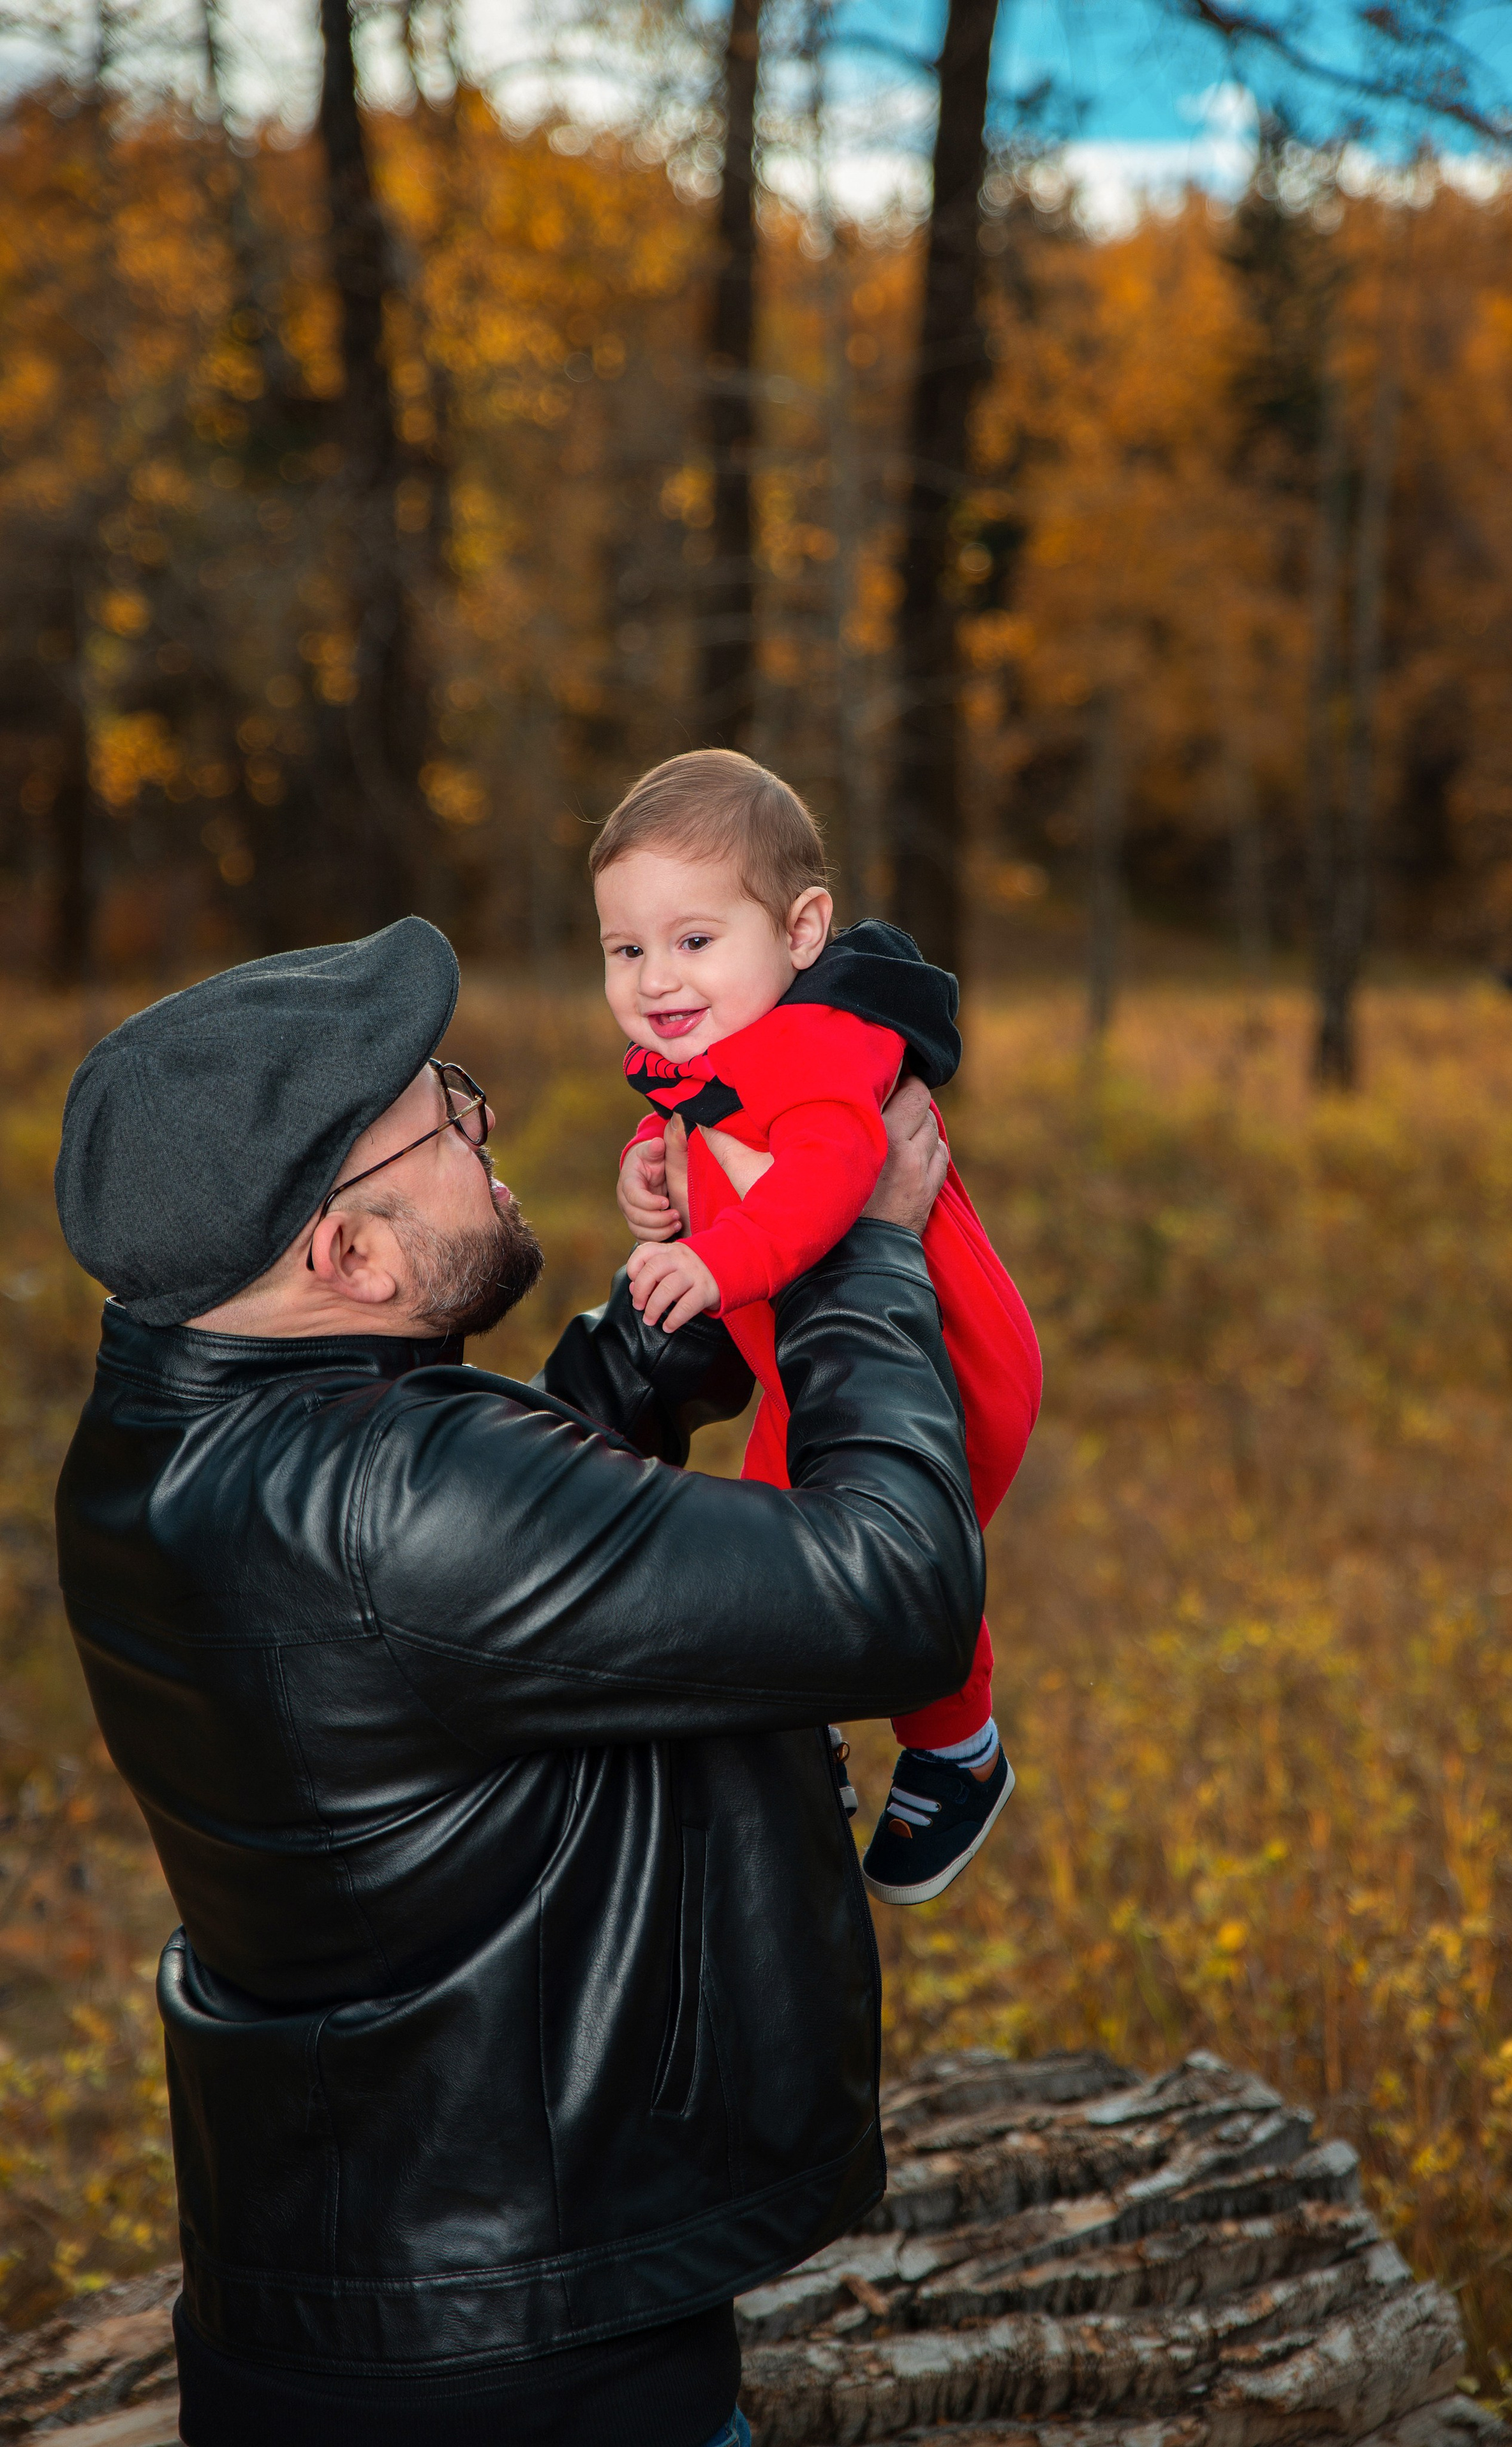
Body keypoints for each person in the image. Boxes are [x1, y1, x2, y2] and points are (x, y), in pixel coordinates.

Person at [50, 916, 982, 2447]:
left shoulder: (157, 1439)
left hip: (358, 2311)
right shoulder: (398, 1503)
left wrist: (676, 1320)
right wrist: (855, 1252)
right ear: (345, 1255)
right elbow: (897, 1592)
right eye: (442, 1119)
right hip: (533, 2377)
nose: (482, 1130)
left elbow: (456, 1606)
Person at [594, 751, 1042, 1906]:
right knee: (770, 1552)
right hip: (821, 1365)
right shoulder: (721, 1047)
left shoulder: (820, 1041)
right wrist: (655, 1170)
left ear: (801, 932)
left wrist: (715, 1259)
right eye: (626, 950)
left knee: (881, 1558)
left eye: (695, 940)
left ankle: (958, 1750)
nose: (656, 978)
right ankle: (799, 1729)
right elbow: (712, 1128)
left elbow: (833, 1170)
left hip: (941, 1363)